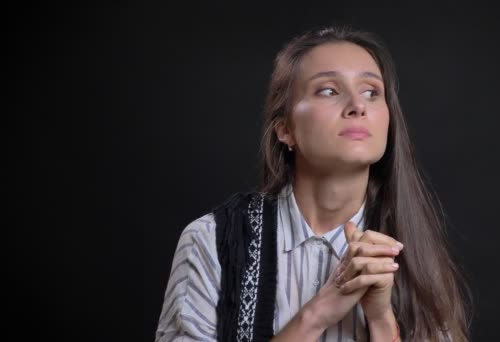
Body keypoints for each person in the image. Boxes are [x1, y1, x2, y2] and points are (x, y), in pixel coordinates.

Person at [155, 26, 470, 342]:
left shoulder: (415, 251)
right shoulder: (212, 242)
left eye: (372, 92)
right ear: (285, 129)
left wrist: (382, 321)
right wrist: (316, 315)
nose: (357, 106)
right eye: (329, 91)